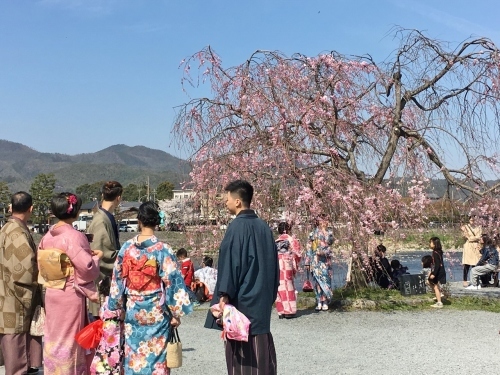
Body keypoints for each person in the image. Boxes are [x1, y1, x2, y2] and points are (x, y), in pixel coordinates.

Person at [107, 201, 193, 375]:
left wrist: (116, 305)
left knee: (133, 356)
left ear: (139, 221)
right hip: (156, 312)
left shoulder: (127, 248)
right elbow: (173, 283)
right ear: (157, 222)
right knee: (156, 358)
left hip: (132, 309)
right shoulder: (163, 249)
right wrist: (175, 314)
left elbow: (117, 280)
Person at [205, 180, 279, 375]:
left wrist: (224, 294)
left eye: (227, 198)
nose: (225, 202)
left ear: (238, 201)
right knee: (262, 351)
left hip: (242, 301)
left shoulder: (236, 227)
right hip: (261, 297)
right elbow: (274, 265)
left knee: (242, 353)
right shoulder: (264, 227)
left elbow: (231, 264)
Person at [38, 192, 103, 374]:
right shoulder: (73, 236)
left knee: (54, 336)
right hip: (69, 295)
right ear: (75, 211)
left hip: (52, 292)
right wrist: (97, 257)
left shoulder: (47, 236)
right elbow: (87, 267)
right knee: (70, 338)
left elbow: (41, 264)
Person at [0, 192, 43, 375]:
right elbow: (24, 271)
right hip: (15, 297)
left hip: (5, 292)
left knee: (10, 340)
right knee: (16, 346)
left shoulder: (6, 228)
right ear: (30, 209)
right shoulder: (18, 232)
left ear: (11, 207)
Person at [86, 181, 122, 314]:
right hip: (102, 283)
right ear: (119, 198)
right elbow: (103, 254)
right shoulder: (101, 220)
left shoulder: (103, 216)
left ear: (102, 195)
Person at [305, 216, 334, 311]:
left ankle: (325, 300)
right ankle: (319, 301)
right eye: (322, 220)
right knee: (317, 281)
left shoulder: (329, 233)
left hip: (326, 260)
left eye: (326, 220)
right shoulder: (312, 234)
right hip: (315, 260)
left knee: (326, 280)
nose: (325, 222)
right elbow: (309, 248)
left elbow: (330, 245)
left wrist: (326, 233)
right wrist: (307, 262)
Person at [275, 221, 301, 319]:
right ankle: (289, 310)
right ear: (288, 229)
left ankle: (281, 310)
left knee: (279, 286)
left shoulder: (276, 241)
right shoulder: (291, 239)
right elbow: (297, 253)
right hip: (287, 263)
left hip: (277, 263)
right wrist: (295, 263)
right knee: (288, 285)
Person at [461, 216, 482, 287]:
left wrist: (470, 238)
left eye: (474, 220)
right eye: (471, 220)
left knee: (475, 264)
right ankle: (464, 280)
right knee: (466, 264)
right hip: (468, 247)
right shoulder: (465, 227)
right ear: (469, 220)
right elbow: (465, 236)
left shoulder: (479, 227)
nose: (472, 221)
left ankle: (475, 280)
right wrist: (472, 238)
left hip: (476, 246)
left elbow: (479, 236)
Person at [428, 237, 446, 308]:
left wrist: (434, 274)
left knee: (435, 286)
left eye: (431, 242)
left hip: (438, 271)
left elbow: (437, 264)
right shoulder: (439, 251)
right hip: (440, 270)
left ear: (435, 244)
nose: (430, 244)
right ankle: (439, 294)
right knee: (429, 281)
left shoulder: (435, 253)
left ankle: (439, 302)